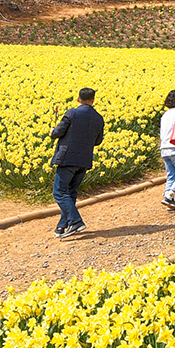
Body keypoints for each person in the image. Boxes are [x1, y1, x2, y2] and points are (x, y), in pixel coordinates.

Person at [48, 87, 104, 240]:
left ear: (78, 99)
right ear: (93, 100)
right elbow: (98, 141)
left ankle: (76, 221)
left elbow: (58, 133)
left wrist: (53, 131)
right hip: (84, 160)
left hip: (68, 159)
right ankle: (61, 226)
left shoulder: (72, 113)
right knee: (71, 192)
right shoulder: (99, 118)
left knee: (59, 192)